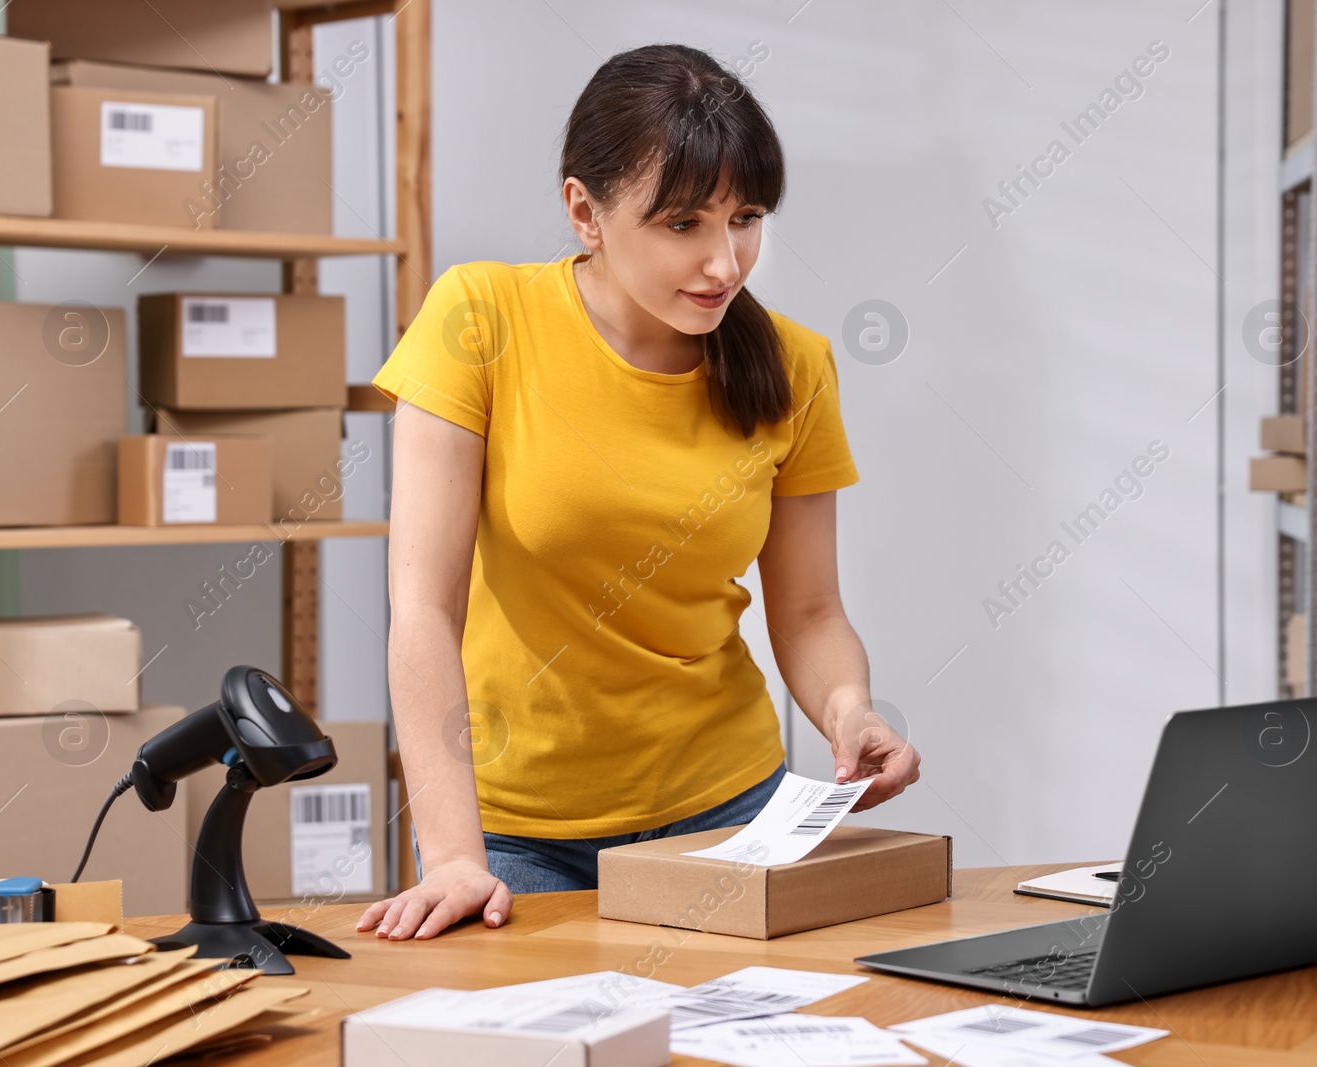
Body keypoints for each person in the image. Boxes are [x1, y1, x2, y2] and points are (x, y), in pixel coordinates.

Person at [356, 42, 920, 943]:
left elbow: (810, 610)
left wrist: (851, 708)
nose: (725, 263)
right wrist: (454, 852)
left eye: (745, 217)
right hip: (513, 832)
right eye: (683, 224)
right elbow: (423, 608)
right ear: (585, 210)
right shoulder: (480, 319)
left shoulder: (796, 367)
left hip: (729, 811)